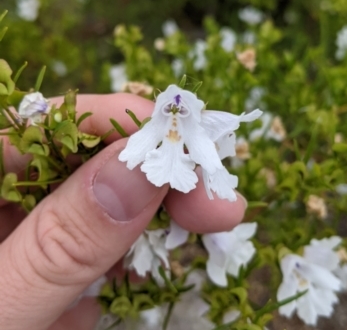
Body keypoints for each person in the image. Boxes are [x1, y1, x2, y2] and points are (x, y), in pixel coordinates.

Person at [0, 93, 247, 330]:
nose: (175, 113)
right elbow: (137, 149)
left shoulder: (186, 124)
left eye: (180, 109)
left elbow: (203, 149)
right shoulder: (163, 122)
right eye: (169, 107)